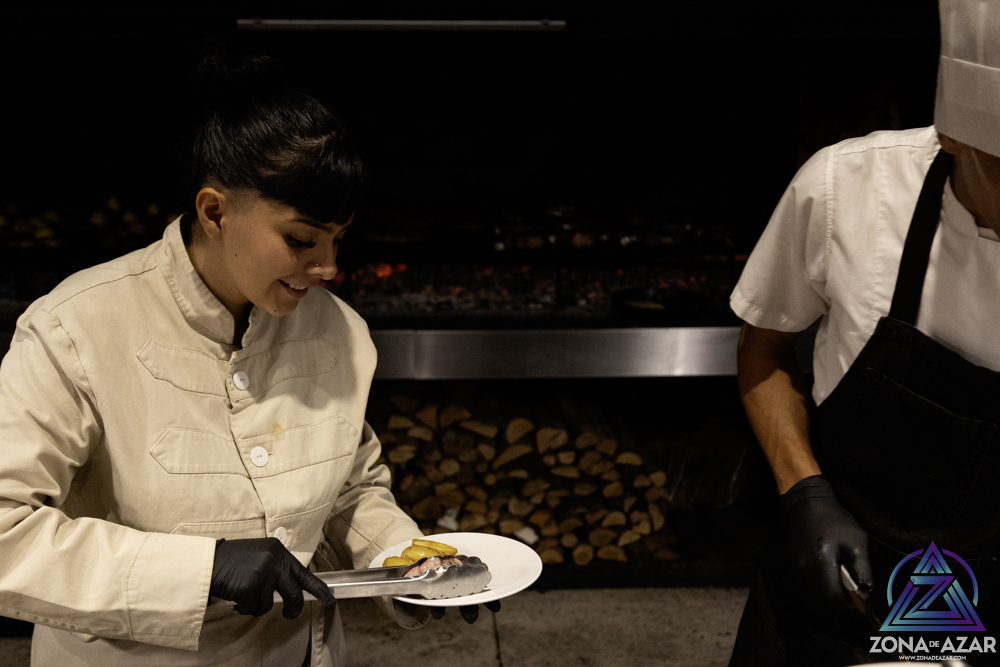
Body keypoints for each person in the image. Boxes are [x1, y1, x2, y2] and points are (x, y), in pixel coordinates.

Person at [0, 49, 492, 666]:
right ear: (215, 212)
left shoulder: (338, 330)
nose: (328, 267)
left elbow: (350, 491)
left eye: (338, 239)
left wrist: (407, 568)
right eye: (301, 239)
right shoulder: (74, 327)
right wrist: (201, 569)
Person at [727, 1, 1000, 664]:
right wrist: (804, 492)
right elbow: (764, 348)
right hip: (839, 595)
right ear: (954, 134)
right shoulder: (845, 189)